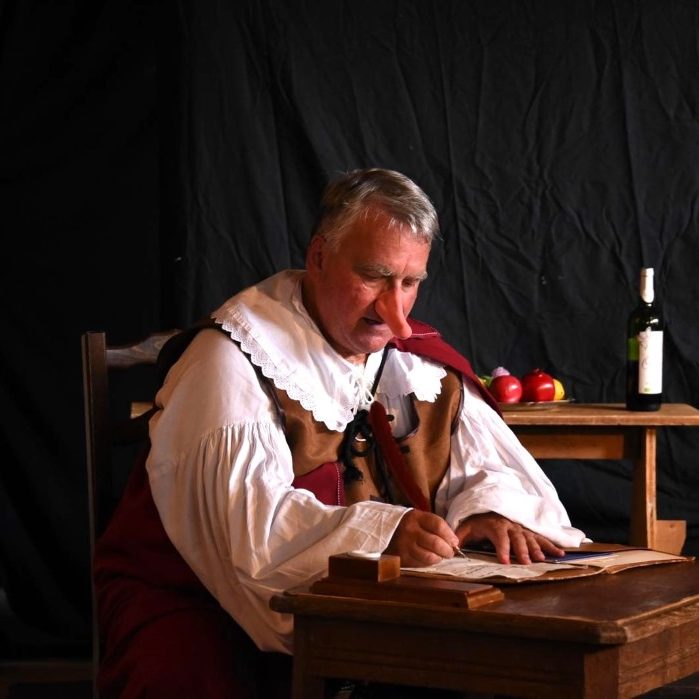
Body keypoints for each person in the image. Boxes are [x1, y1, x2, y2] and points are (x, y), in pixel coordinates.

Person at [94, 167, 586, 698]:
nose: (393, 312)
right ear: (319, 257)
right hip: (200, 600)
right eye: (374, 276)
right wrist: (383, 535)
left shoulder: (416, 362)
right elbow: (252, 543)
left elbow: (493, 467)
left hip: (375, 605)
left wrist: (489, 509)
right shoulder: (231, 362)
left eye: (410, 283)